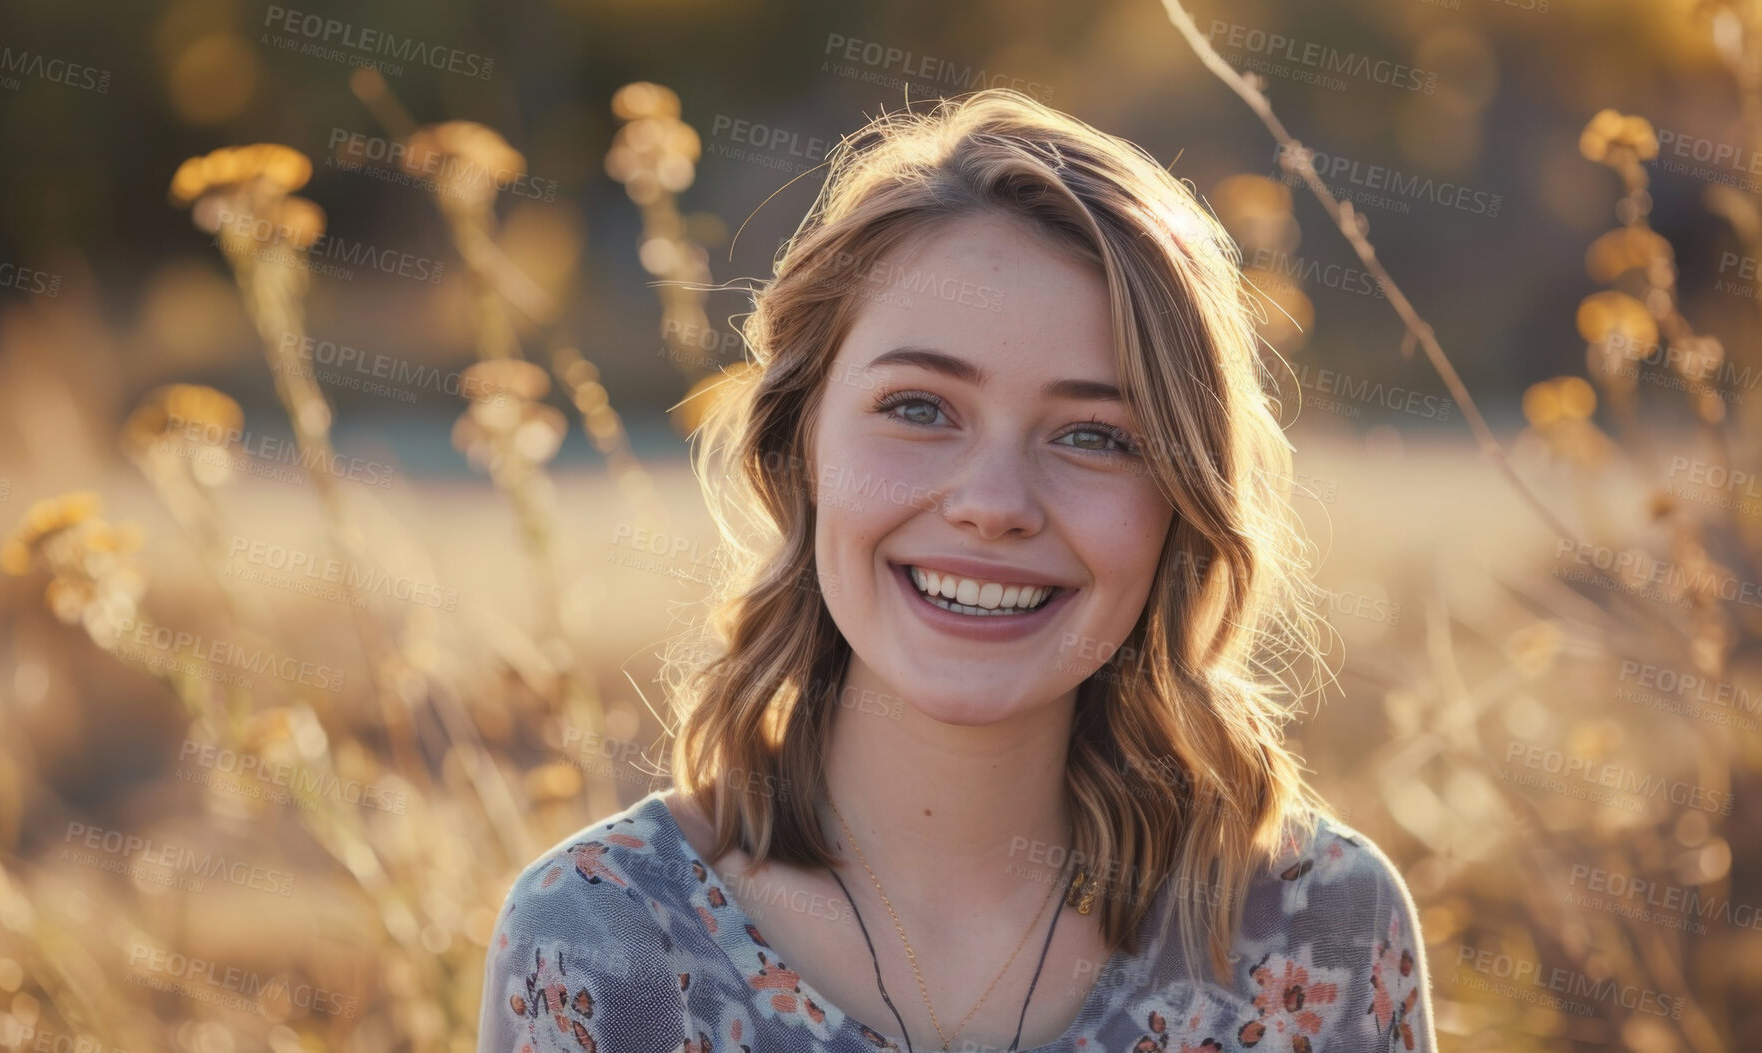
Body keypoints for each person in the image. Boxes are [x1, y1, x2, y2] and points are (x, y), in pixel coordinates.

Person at [479, 87, 1437, 1053]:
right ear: (797, 442)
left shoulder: (1320, 931)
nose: (994, 503)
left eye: (1095, 434)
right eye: (920, 408)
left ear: (1181, 499)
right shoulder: (604, 940)